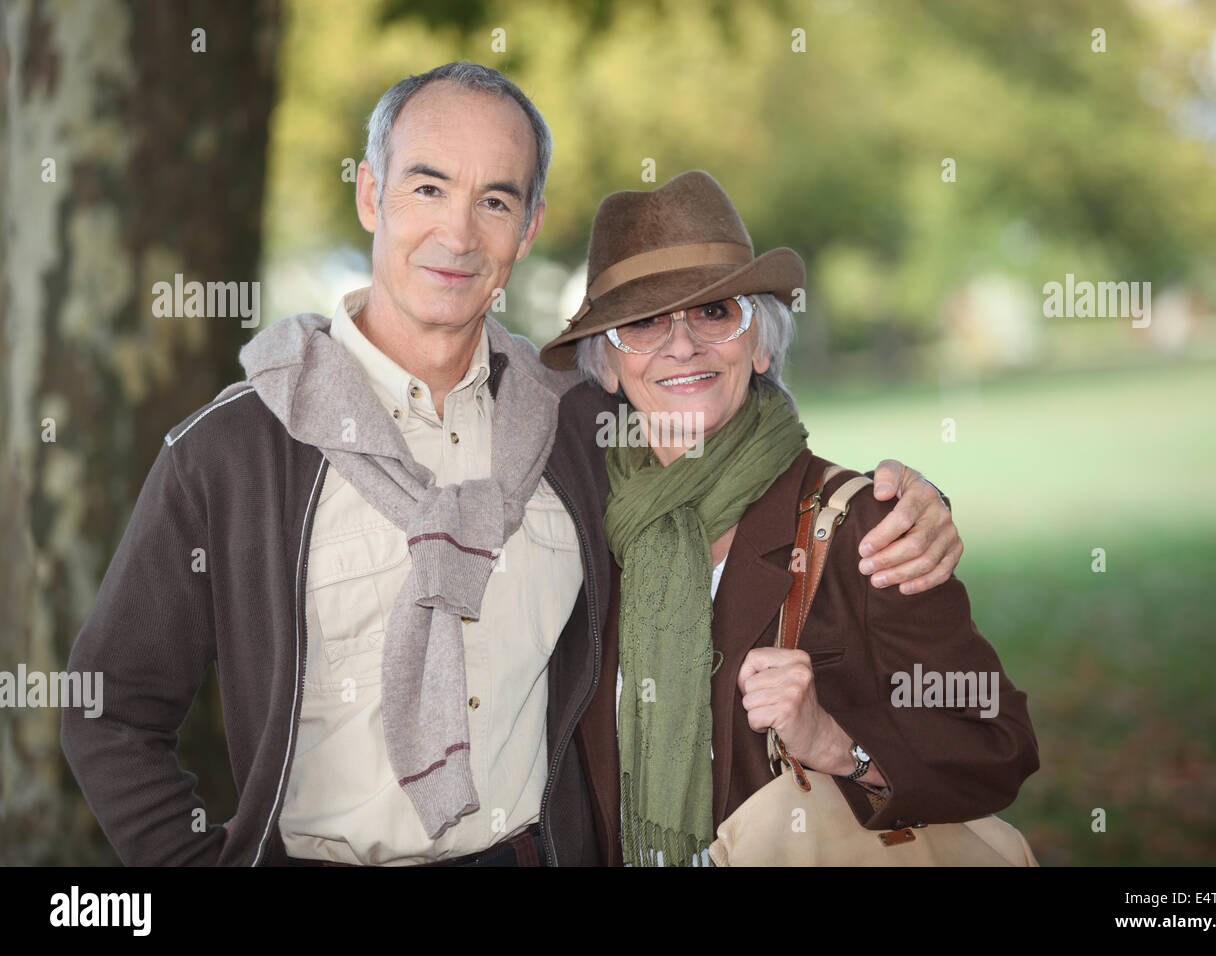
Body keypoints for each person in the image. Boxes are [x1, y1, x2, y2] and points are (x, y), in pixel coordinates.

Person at [60, 64, 962, 867]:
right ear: (371, 196)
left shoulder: (575, 425)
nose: (457, 234)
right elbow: (108, 708)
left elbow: (727, 423)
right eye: (427, 187)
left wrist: (909, 502)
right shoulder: (236, 450)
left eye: (495, 199)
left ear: (527, 230)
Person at [541, 170, 1039, 866]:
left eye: (716, 313)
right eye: (645, 321)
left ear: (763, 345)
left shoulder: (867, 522)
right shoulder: (580, 522)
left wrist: (838, 742)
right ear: (608, 366)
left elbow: (997, 743)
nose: (682, 345)